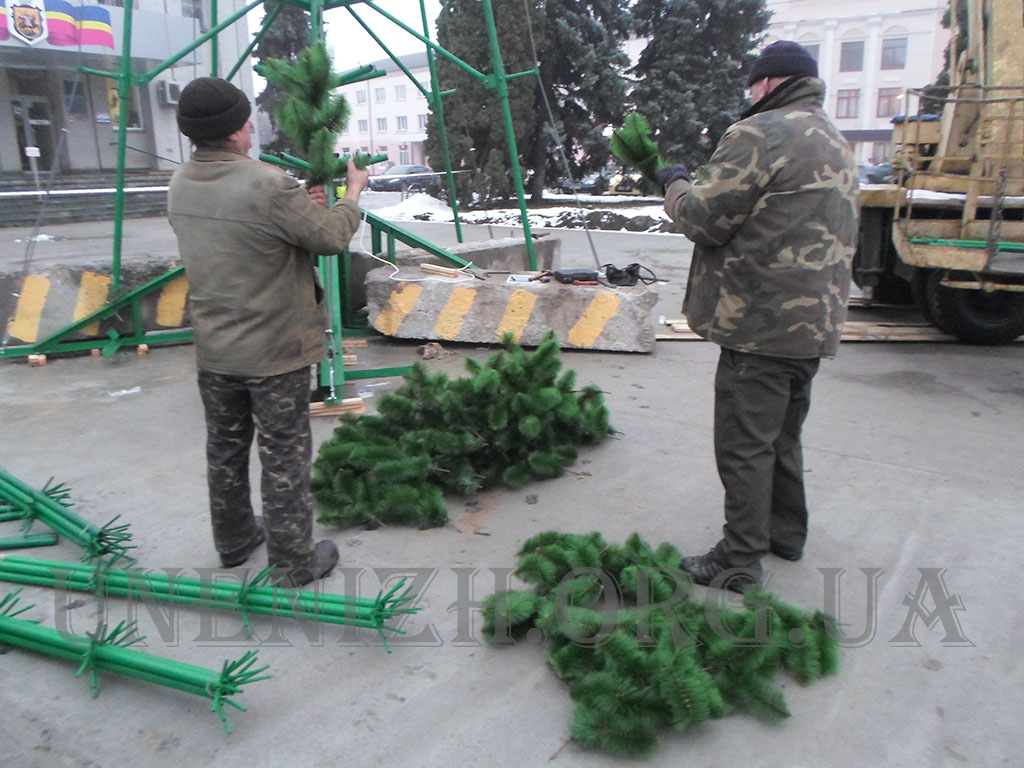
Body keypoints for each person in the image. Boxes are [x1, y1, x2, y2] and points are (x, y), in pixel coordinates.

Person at [656, 41, 859, 592]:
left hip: (761, 322)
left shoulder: (761, 132)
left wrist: (673, 182)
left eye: (753, 85)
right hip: (813, 323)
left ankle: (740, 559)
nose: (750, 94)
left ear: (769, 83)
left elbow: (703, 219)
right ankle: (785, 534)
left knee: (745, 442)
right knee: (782, 434)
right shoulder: (835, 141)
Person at [167, 77, 369, 589]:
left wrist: (301, 203)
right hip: (272, 351)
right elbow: (330, 238)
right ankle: (295, 561)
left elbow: (243, 234)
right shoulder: (266, 184)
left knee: (226, 448)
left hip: (215, 349)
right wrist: (351, 194)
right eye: (246, 116)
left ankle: (234, 541)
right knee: (284, 454)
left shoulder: (181, 182)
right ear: (237, 128)